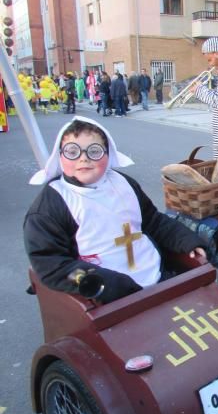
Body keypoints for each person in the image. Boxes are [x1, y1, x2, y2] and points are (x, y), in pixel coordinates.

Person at [24, 117, 206, 305]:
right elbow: (51, 262)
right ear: (61, 156)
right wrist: (104, 283)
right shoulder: (51, 205)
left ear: (108, 154)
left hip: (155, 275)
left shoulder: (124, 183)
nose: (83, 158)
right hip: (107, 297)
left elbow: (153, 221)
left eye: (94, 151)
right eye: (73, 151)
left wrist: (187, 241)